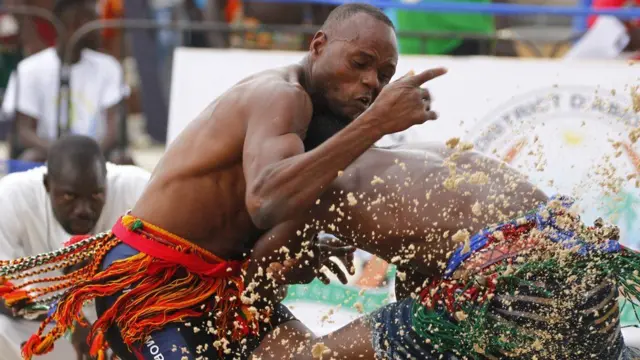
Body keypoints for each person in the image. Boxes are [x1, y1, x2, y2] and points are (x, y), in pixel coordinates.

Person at [0, 3, 445, 360]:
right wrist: (375, 125)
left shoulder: (325, 132)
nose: (371, 82)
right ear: (318, 45)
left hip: (217, 288)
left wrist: (300, 255)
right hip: (150, 286)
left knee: (312, 353)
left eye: (383, 76)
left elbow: (258, 245)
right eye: (360, 62)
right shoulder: (283, 96)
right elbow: (266, 200)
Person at [246, 141, 640, 359]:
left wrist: (283, 276)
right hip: (590, 288)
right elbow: (422, 287)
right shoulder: (413, 159)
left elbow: (252, 283)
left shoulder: (310, 189)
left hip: (518, 299)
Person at [0, 135, 150, 360]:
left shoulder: (138, 189)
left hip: (122, 321)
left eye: (96, 195)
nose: (84, 209)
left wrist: (109, 261)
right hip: (42, 327)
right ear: (48, 185)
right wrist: (67, 319)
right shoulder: (12, 198)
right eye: (70, 196)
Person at [1, 0, 131, 164]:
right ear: (70, 25)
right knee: (30, 159)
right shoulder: (29, 68)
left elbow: (115, 122)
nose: (98, 28)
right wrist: (61, 152)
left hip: (97, 152)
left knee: (123, 160)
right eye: (89, 20)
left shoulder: (109, 66)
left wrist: (89, 153)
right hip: (48, 152)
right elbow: (23, 130)